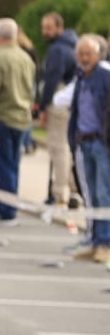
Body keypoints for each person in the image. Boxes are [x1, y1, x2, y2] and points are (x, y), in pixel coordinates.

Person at [0, 18, 35, 226]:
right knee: (13, 165)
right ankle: (9, 205)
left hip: (2, 118)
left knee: (2, 166)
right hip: (22, 118)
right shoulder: (26, 57)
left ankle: (8, 208)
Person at [67, 34, 110, 263]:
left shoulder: (105, 77)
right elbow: (75, 110)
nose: (84, 58)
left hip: (101, 143)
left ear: (98, 55)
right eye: (81, 54)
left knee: (104, 195)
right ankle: (95, 240)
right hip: (84, 141)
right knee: (91, 195)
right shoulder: (81, 77)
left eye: (88, 54)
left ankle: (105, 243)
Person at [36, 12, 80, 207]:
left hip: (58, 98)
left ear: (59, 28)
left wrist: (43, 106)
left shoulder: (57, 50)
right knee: (65, 147)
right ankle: (74, 189)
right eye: (44, 28)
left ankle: (59, 193)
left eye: (49, 28)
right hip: (68, 97)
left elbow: (52, 79)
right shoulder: (71, 45)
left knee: (57, 146)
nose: (45, 32)